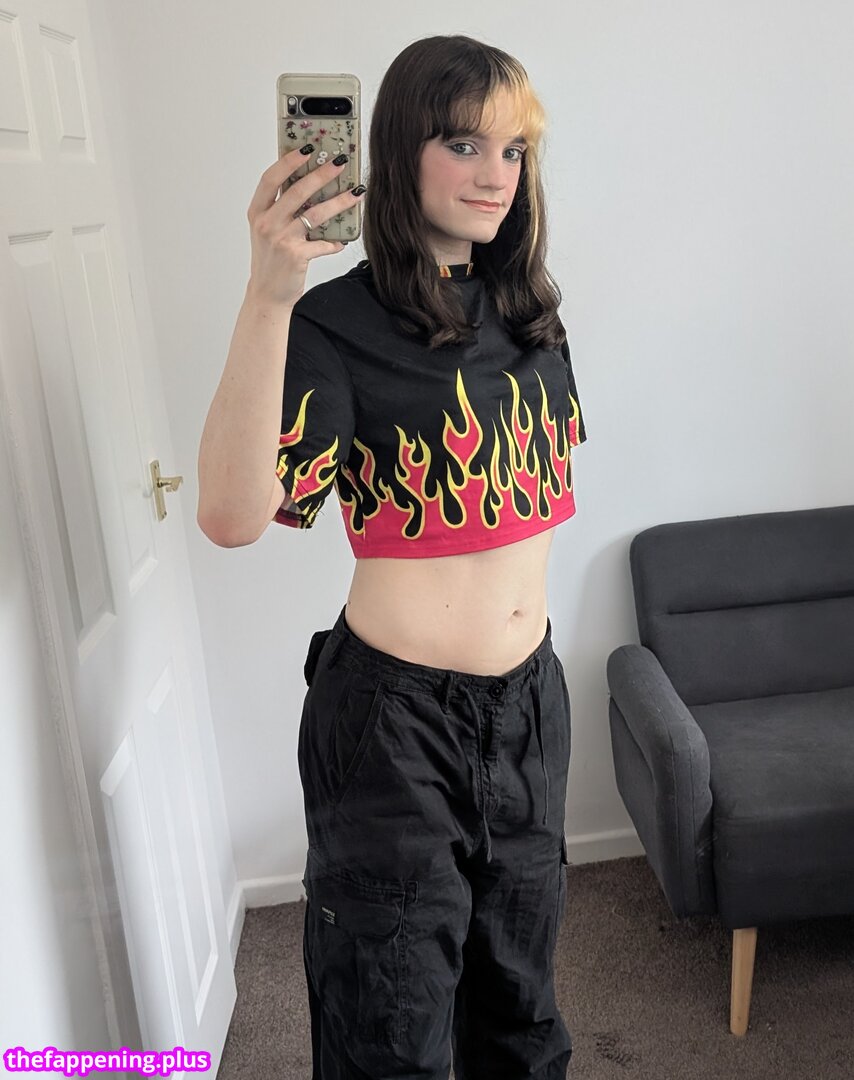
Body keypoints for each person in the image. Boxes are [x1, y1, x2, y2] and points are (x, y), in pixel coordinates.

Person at [198, 32, 587, 1080]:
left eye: (513, 150)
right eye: (464, 144)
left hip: (530, 710)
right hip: (394, 727)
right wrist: (268, 294)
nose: (495, 175)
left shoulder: (533, 314)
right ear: (399, 148)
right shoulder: (332, 324)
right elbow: (232, 515)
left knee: (519, 1008)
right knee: (390, 1025)